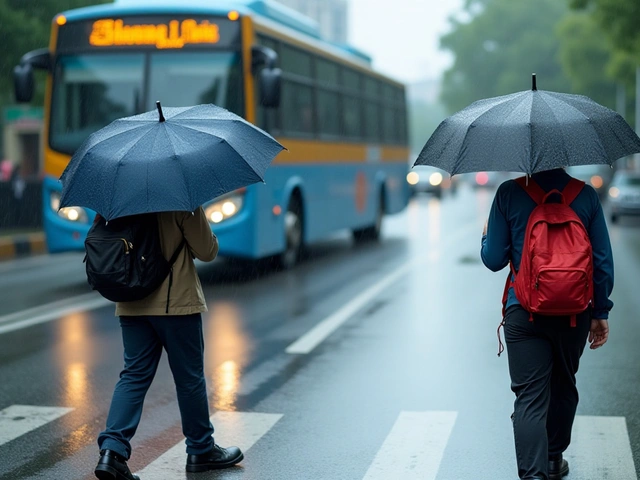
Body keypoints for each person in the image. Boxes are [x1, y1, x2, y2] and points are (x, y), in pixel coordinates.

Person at [481, 168, 613, 480]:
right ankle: (554, 458)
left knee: (529, 397)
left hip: (523, 312)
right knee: (564, 385)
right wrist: (600, 313)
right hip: (574, 313)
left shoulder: (509, 193)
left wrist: (487, 235)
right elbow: (602, 261)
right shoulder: (586, 196)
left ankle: (533, 475)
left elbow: (493, 259)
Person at [95, 207, 243, 480]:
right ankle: (201, 449)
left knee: (133, 376)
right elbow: (207, 251)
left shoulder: (119, 200)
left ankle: (111, 453)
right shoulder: (180, 199)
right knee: (189, 378)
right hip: (176, 304)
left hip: (132, 301)